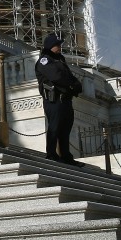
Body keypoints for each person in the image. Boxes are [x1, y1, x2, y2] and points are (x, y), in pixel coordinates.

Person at [35, 33, 83, 165]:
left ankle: (66, 156)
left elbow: (70, 76)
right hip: (54, 100)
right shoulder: (44, 60)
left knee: (65, 129)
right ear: (50, 46)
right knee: (54, 127)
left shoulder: (60, 59)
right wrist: (71, 84)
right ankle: (51, 154)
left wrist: (75, 85)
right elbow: (56, 77)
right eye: (57, 44)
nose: (59, 46)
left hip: (65, 100)